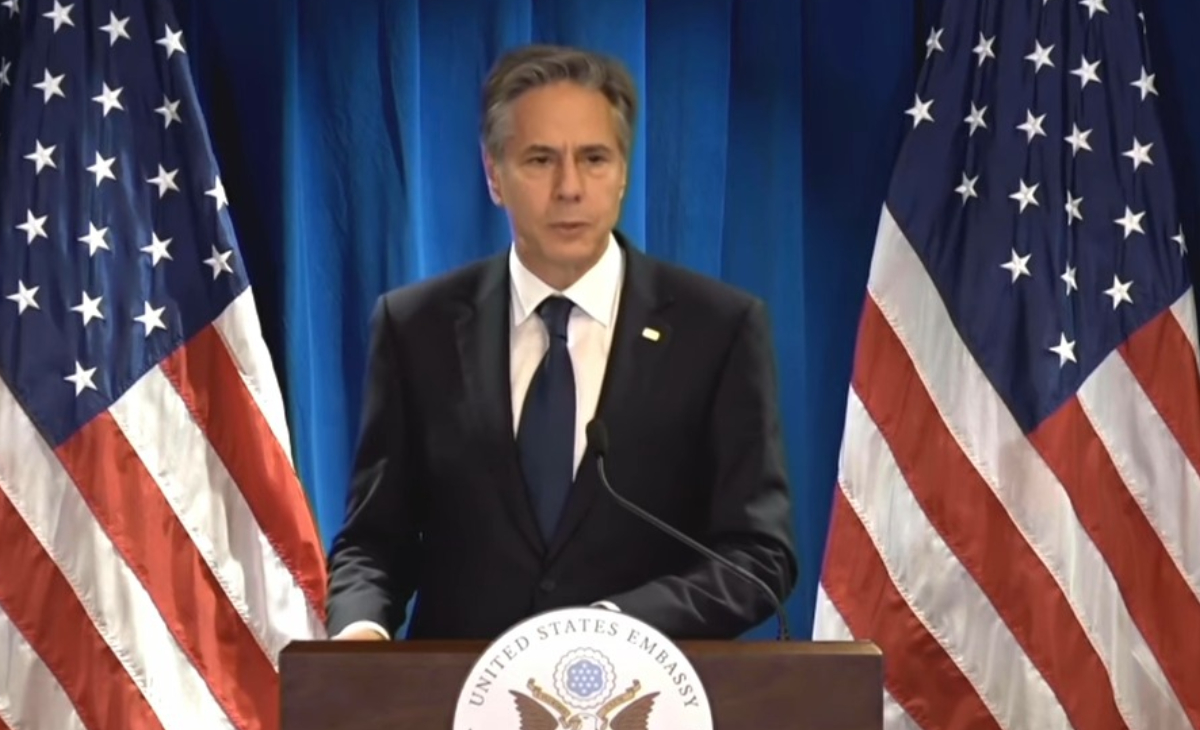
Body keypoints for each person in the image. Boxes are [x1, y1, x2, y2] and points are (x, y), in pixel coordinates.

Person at [324, 43, 797, 641]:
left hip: (643, 685)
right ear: (494, 175)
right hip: (460, 687)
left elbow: (758, 555)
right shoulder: (416, 327)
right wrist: (360, 633)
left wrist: (614, 627)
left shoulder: (719, 329)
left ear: (622, 174)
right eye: (540, 159)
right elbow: (373, 542)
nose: (569, 187)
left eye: (594, 159)